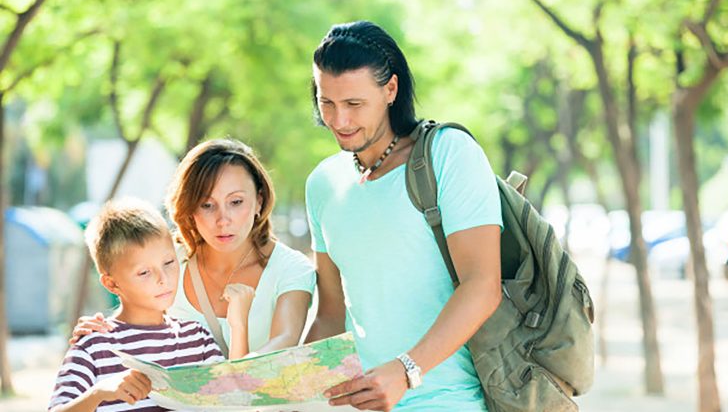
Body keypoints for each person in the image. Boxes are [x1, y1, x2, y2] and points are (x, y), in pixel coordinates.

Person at [305, 21, 503, 411]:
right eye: (327, 102)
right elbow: (330, 315)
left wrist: (406, 370)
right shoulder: (322, 184)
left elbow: (482, 285)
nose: (339, 120)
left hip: (448, 401)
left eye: (354, 104)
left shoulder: (448, 154)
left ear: (391, 89)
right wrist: (286, 392)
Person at [71, 139, 316, 355]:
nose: (223, 219)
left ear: (258, 202)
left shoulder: (292, 269)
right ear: (190, 209)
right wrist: (101, 332)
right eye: (207, 205)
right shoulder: (169, 260)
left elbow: (284, 341)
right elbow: (134, 318)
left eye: (236, 202)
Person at [49, 198, 252, 411]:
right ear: (112, 284)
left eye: (169, 263)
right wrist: (98, 393)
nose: (163, 278)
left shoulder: (196, 339)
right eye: (144, 272)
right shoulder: (95, 346)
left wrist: (238, 326)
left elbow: (237, 402)